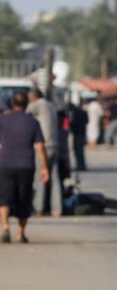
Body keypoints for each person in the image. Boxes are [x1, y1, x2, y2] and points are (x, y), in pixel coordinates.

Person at [0, 92, 50, 243]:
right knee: (24, 199)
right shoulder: (33, 122)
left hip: (5, 164)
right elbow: (40, 147)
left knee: (4, 198)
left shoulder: (2, 120)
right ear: (26, 105)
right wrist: (45, 168)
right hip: (26, 166)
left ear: (11, 103)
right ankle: (20, 233)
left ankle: (6, 227)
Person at [26, 88, 62, 216]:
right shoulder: (51, 105)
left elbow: (23, 117)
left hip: (43, 145)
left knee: (41, 175)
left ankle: (39, 208)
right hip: (55, 144)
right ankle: (57, 209)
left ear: (33, 96)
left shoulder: (36, 105)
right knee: (54, 177)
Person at [68, 102, 88, 171]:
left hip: (77, 133)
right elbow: (87, 121)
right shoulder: (83, 112)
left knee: (78, 150)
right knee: (80, 151)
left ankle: (80, 166)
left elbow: (73, 123)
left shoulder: (75, 113)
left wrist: (71, 128)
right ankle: (81, 165)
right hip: (82, 132)